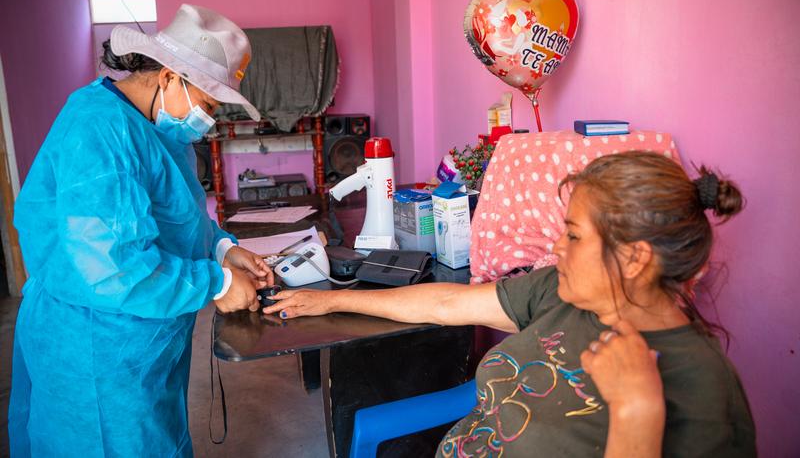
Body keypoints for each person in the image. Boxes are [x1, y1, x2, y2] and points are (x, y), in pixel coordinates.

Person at [265, 151, 756, 457]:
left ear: (634, 259)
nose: (555, 247)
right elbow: (446, 304)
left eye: (573, 235)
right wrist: (330, 303)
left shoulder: (703, 391)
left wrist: (635, 413)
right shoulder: (564, 294)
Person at [9, 4, 275, 457]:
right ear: (170, 77)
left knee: (154, 438)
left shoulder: (164, 132)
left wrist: (223, 250)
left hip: (145, 342)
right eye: (208, 104)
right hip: (95, 345)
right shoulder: (96, 129)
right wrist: (218, 284)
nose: (208, 119)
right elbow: (111, 267)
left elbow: (178, 218)